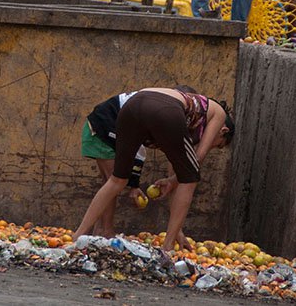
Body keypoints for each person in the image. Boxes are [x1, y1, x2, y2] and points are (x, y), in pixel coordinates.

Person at [73, 88, 235, 252]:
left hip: (132, 106)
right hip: (163, 109)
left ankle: (77, 238)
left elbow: (177, 164)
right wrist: (174, 180)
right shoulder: (218, 113)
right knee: (191, 178)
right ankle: (168, 247)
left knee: (117, 179)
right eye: (218, 145)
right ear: (224, 131)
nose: (213, 146)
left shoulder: (189, 120)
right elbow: (197, 159)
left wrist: (171, 181)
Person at [82, 85, 198, 238]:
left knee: (110, 183)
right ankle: (105, 231)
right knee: (113, 183)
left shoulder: (155, 102)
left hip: (100, 129)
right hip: (102, 130)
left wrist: (133, 185)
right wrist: (133, 185)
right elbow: (136, 147)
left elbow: (136, 147)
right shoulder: (162, 107)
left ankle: (99, 232)